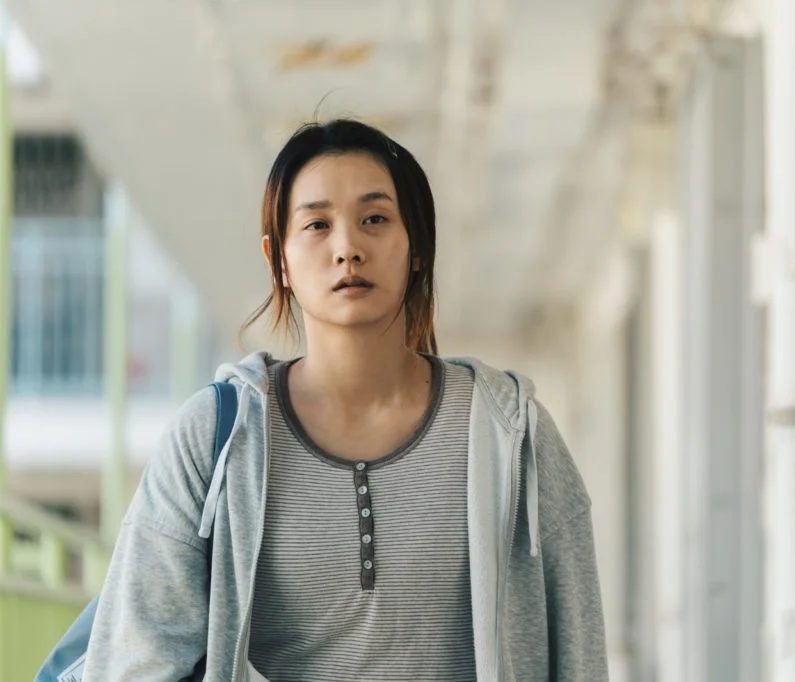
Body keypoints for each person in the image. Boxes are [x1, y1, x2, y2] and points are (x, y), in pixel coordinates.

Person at [82, 118, 608, 681]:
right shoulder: (215, 438)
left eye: (375, 219)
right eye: (317, 224)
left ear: (417, 246)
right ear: (279, 259)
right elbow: (136, 659)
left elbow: (580, 657)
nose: (348, 248)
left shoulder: (512, 432)